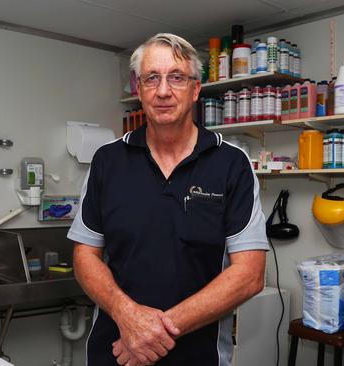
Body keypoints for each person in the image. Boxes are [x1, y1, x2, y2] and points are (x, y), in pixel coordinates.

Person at [67, 33, 268, 366]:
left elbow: (249, 274)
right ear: (139, 89)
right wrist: (126, 314)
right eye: (151, 79)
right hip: (115, 353)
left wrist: (154, 331)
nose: (163, 91)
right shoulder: (107, 161)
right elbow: (85, 255)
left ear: (195, 89)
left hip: (198, 356)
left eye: (176, 77)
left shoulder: (230, 163)